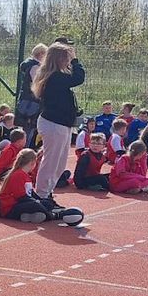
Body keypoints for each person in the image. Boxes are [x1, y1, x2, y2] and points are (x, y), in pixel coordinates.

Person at [32, 41, 84, 213]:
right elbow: (79, 78)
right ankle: (41, 195)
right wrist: (76, 61)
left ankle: (47, 193)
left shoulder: (57, 75)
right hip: (54, 124)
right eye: (66, 58)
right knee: (52, 161)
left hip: (61, 124)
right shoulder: (54, 76)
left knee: (59, 163)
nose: (68, 61)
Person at [0, 149, 51, 224]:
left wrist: (41, 200)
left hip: (21, 203)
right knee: (35, 205)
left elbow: (30, 193)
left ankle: (27, 216)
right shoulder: (18, 175)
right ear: (32, 163)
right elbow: (20, 197)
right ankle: (52, 215)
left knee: (47, 203)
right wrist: (37, 202)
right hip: (10, 208)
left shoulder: (25, 175)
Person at [15, 43, 48, 141]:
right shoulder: (35, 67)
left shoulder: (31, 65)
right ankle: (24, 149)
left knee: (28, 128)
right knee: (29, 127)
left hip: (28, 100)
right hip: (31, 102)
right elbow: (37, 84)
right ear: (41, 54)